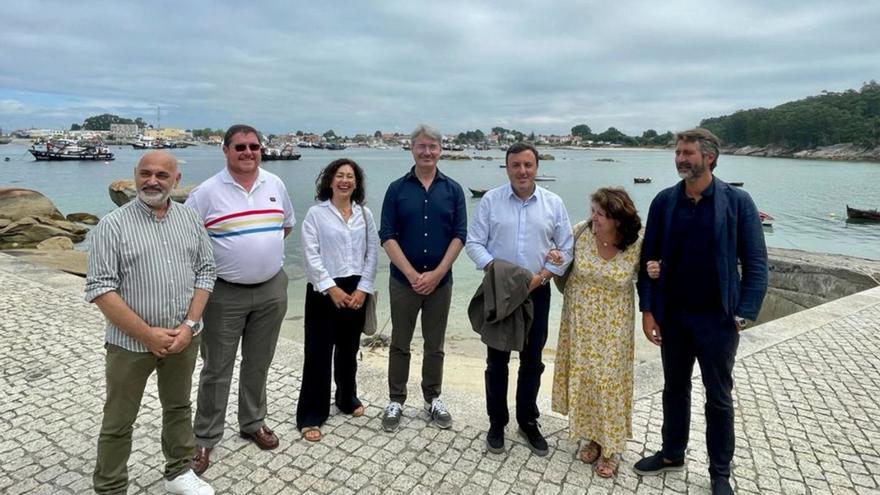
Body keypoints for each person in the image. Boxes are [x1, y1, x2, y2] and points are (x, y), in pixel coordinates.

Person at [634, 128, 768, 495]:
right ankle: (671, 454)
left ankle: (720, 471)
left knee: (719, 397)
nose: (680, 159)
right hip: (674, 316)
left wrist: (743, 314)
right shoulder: (664, 201)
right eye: (677, 152)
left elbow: (756, 263)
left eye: (687, 152)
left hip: (718, 319)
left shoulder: (737, 202)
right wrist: (648, 309)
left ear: (709, 157)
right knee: (673, 389)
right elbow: (649, 259)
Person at [86, 151, 215, 495]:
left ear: (175, 180)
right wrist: (147, 334)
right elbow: (100, 288)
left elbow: (206, 271)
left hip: (183, 339)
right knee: (118, 420)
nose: (152, 181)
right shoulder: (112, 226)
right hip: (130, 345)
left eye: (162, 174)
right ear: (135, 176)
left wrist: (189, 325)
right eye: (145, 173)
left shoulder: (190, 219)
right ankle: (111, 486)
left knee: (178, 407)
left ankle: (178, 472)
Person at [186, 124, 295, 475]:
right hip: (223, 293)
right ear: (226, 150)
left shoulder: (275, 184)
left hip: (271, 289)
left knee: (258, 363)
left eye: (254, 146)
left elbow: (286, 226)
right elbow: (187, 239)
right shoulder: (206, 192)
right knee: (217, 368)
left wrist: (259, 253)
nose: (248, 152)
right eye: (241, 147)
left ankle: (252, 423)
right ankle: (204, 438)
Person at [465, 141, 573, 456]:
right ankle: (496, 422)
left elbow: (565, 249)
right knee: (496, 362)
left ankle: (528, 421)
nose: (522, 171)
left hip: (537, 292)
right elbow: (474, 242)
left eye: (528, 165)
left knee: (532, 361)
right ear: (507, 167)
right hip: (499, 292)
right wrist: (495, 269)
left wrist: (543, 276)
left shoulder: (553, 203)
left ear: (536, 167)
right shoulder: (491, 200)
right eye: (516, 165)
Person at [379, 124, 467, 432]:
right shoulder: (396, 189)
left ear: (440, 150)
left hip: (441, 283)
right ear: (412, 149)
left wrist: (438, 273)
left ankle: (432, 398)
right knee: (400, 343)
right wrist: (413, 274)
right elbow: (387, 236)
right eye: (421, 146)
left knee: (435, 344)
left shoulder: (453, 190)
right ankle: (396, 400)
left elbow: (460, 235)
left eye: (433, 146)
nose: (427, 152)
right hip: (403, 281)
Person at [550, 187, 642, 477]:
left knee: (609, 382)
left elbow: (652, 282)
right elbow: (562, 259)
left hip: (614, 325)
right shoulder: (581, 232)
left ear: (618, 218)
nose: (593, 218)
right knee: (586, 378)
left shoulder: (638, 242)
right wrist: (554, 257)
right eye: (593, 211)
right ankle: (591, 436)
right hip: (579, 321)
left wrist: (657, 273)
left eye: (600, 214)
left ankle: (612, 447)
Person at [297, 159, 379, 441]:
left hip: (356, 288)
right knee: (318, 353)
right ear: (330, 181)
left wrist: (364, 288)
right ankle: (311, 414)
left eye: (350, 176)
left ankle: (346, 398)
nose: (345, 181)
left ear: (356, 183)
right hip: (323, 291)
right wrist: (331, 288)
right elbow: (311, 254)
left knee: (348, 349)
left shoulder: (364, 214)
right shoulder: (315, 214)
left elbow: (372, 254)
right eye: (339, 176)